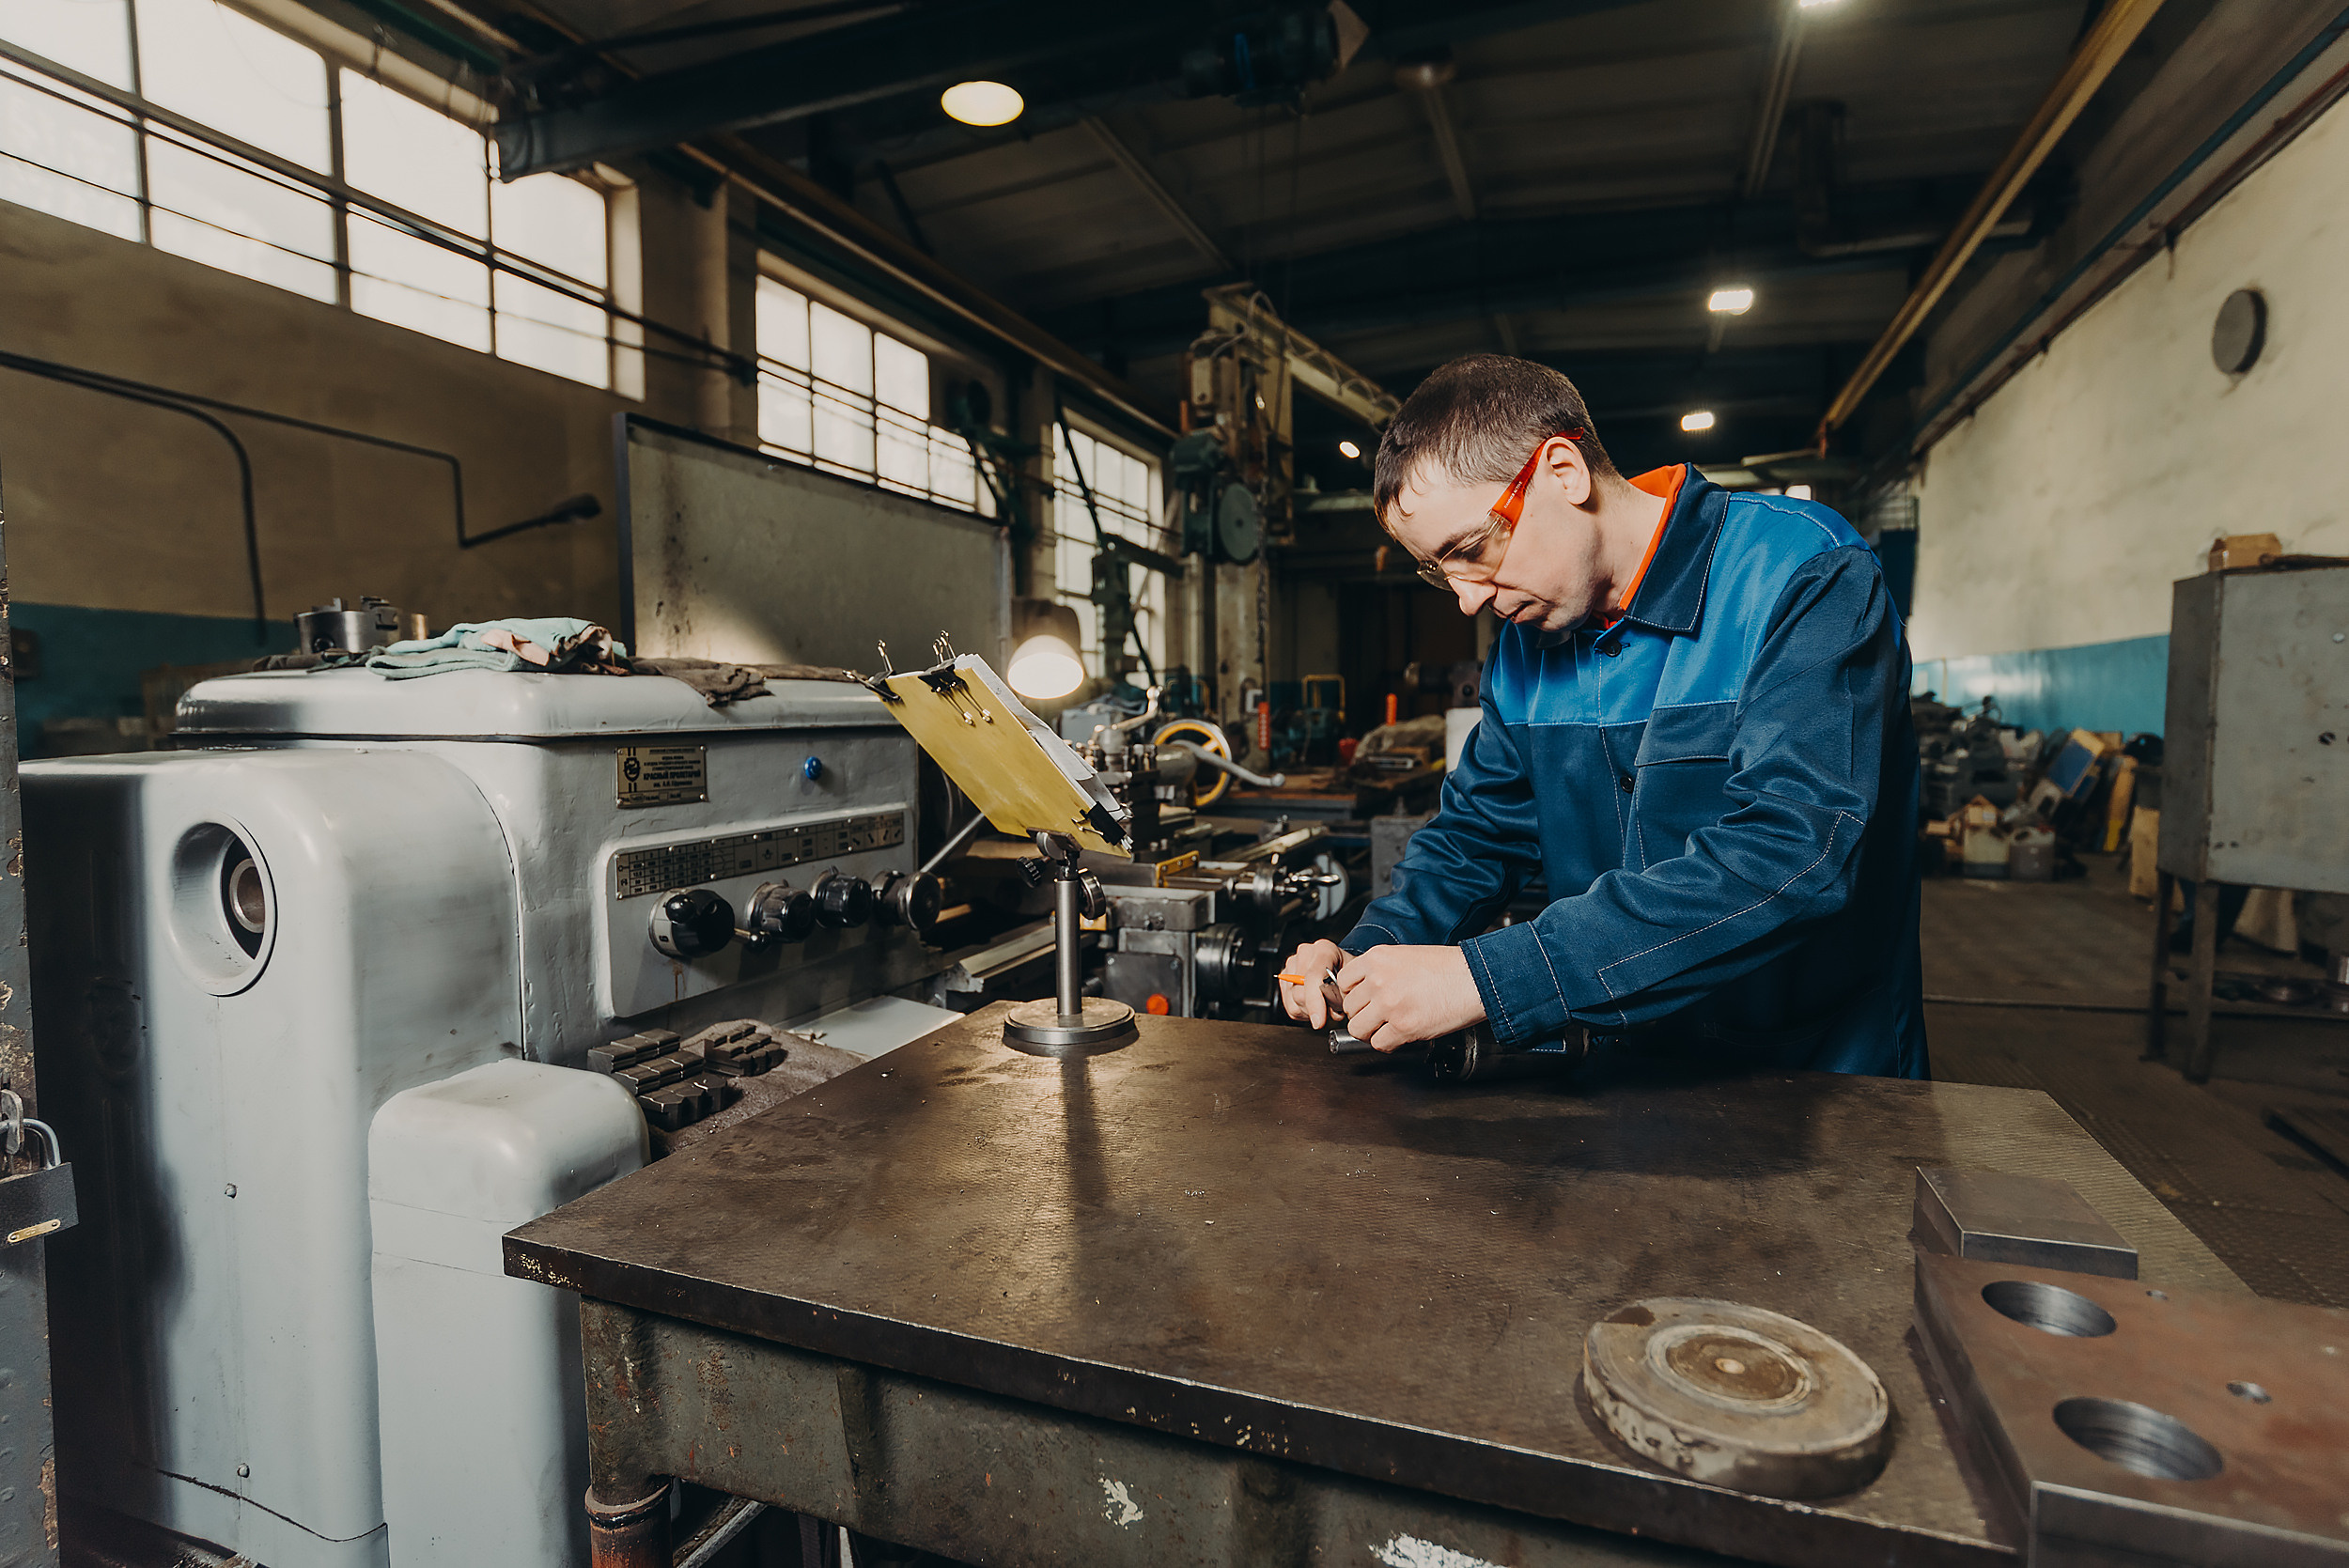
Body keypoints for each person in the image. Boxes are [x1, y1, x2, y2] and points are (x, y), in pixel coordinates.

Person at [1281, 355, 1926, 1078]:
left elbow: (1790, 852)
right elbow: (1476, 836)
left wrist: (1488, 977)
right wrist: (1368, 957)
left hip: (1818, 1083)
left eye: (1470, 550)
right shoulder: (1526, 648)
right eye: (1441, 571)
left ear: (1563, 471)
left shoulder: (1803, 573)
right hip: (1621, 1081)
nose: (1465, 599)